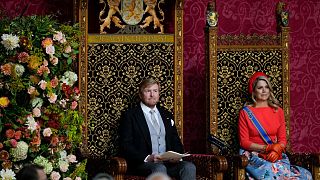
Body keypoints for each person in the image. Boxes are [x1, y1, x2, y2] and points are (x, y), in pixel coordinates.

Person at [238, 72, 312, 179]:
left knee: (306, 176)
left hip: (275, 153)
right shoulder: (245, 112)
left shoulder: (278, 111)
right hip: (254, 155)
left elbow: (282, 140)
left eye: (266, 87)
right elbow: (244, 142)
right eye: (260, 88)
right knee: (271, 172)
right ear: (253, 91)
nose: (264, 91)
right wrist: (267, 147)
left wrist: (276, 150)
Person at [118, 78, 196, 180]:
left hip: (168, 163)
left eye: (155, 91)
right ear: (141, 94)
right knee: (159, 168)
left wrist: (177, 157)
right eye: (148, 91)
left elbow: (176, 141)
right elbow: (125, 145)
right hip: (143, 164)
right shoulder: (130, 115)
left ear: (159, 94)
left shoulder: (166, 115)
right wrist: (147, 157)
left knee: (189, 167)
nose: (152, 95)